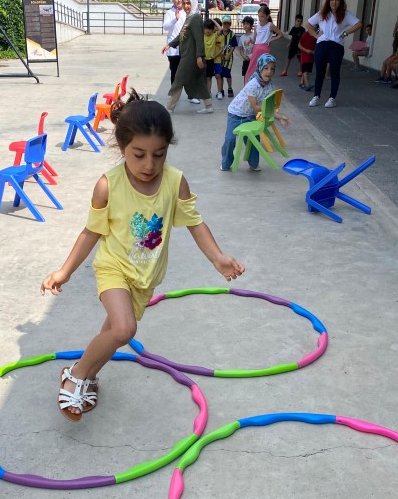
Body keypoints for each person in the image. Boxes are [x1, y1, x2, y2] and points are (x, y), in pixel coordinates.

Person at [41, 91, 245, 420]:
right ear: (123, 147)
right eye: (138, 155)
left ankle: (87, 375)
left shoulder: (175, 182)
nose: (149, 164)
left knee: (112, 334)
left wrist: (217, 257)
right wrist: (65, 271)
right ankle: (75, 376)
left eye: (158, 155)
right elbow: (91, 231)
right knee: (124, 329)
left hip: (145, 277)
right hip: (114, 268)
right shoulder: (108, 186)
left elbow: (194, 222)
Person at [220, 54, 289, 172]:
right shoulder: (253, 84)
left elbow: (268, 108)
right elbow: (256, 107)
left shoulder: (270, 86)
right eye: (266, 68)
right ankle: (226, 164)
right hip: (235, 114)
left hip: (249, 115)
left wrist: (279, 117)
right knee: (230, 140)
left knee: (253, 139)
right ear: (260, 68)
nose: (269, 71)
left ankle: (253, 164)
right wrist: (271, 113)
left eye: (272, 69)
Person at [306, 0, 361, 108]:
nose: (334, 2)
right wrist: (315, 35)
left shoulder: (345, 14)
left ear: (340, 2)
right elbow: (309, 23)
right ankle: (316, 96)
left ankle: (332, 98)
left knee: (334, 72)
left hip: (336, 45)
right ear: (328, 1)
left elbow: (358, 24)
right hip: (322, 44)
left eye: (337, 0)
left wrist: (346, 33)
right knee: (319, 72)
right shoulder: (322, 13)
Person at [163, 0, 214, 114]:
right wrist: (169, 45)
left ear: (194, 3)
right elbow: (181, 35)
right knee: (199, 81)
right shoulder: (189, 17)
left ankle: (169, 107)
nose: (186, 6)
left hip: (191, 57)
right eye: (184, 3)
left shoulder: (195, 18)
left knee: (178, 80)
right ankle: (209, 106)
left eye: (188, 3)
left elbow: (199, 39)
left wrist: (199, 56)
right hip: (188, 55)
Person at [162, 0, 200, 105]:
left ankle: (191, 95)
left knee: (188, 72)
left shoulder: (188, 13)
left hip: (186, 49)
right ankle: (174, 97)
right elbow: (165, 27)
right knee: (175, 73)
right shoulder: (170, 13)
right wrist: (175, 19)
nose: (178, 0)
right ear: (173, 0)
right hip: (173, 50)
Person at [244, 4, 284, 81]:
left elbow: (281, 34)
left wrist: (271, 40)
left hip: (264, 48)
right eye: (259, 16)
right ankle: (249, 83)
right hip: (256, 48)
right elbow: (254, 40)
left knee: (264, 67)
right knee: (252, 66)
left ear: (267, 16)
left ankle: (262, 83)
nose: (260, 18)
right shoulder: (257, 27)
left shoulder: (270, 25)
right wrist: (250, 40)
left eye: (262, 16)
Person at [215, 14, 238, 98]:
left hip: (228, 57)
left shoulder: (232, 34)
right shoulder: (219, 34)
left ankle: (229, 88)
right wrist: (219, 54)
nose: (226, 25)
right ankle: (221, 90)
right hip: (220, 57)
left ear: (230, 24)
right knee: (220, 74)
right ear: (222, 24)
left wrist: (229, 54)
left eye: (228, 23)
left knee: (227, 73)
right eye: (224, 23)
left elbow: (233, 46)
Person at [203, 18, 223, 97]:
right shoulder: (202, 36)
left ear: (212, 30)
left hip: (211, 60)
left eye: (210, 29)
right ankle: (208, 93)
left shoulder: (214, 36)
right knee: (208, 78)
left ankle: (219, 92)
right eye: (206, 28)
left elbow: (220, 29)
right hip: (204, 60)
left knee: (215, 76)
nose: (208, 30)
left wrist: (213, 21)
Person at [237, 15, 255, 79]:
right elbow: (241, 49)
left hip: (253, 60)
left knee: (253, 76)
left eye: (247, 24)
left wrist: (251, 56)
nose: (245, 25)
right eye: (244, 24)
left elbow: (256, 48)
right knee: (245, 76)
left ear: (251, 25)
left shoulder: (254, 36)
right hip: (245, 60)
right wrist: (243, 56)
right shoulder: (242, 38)